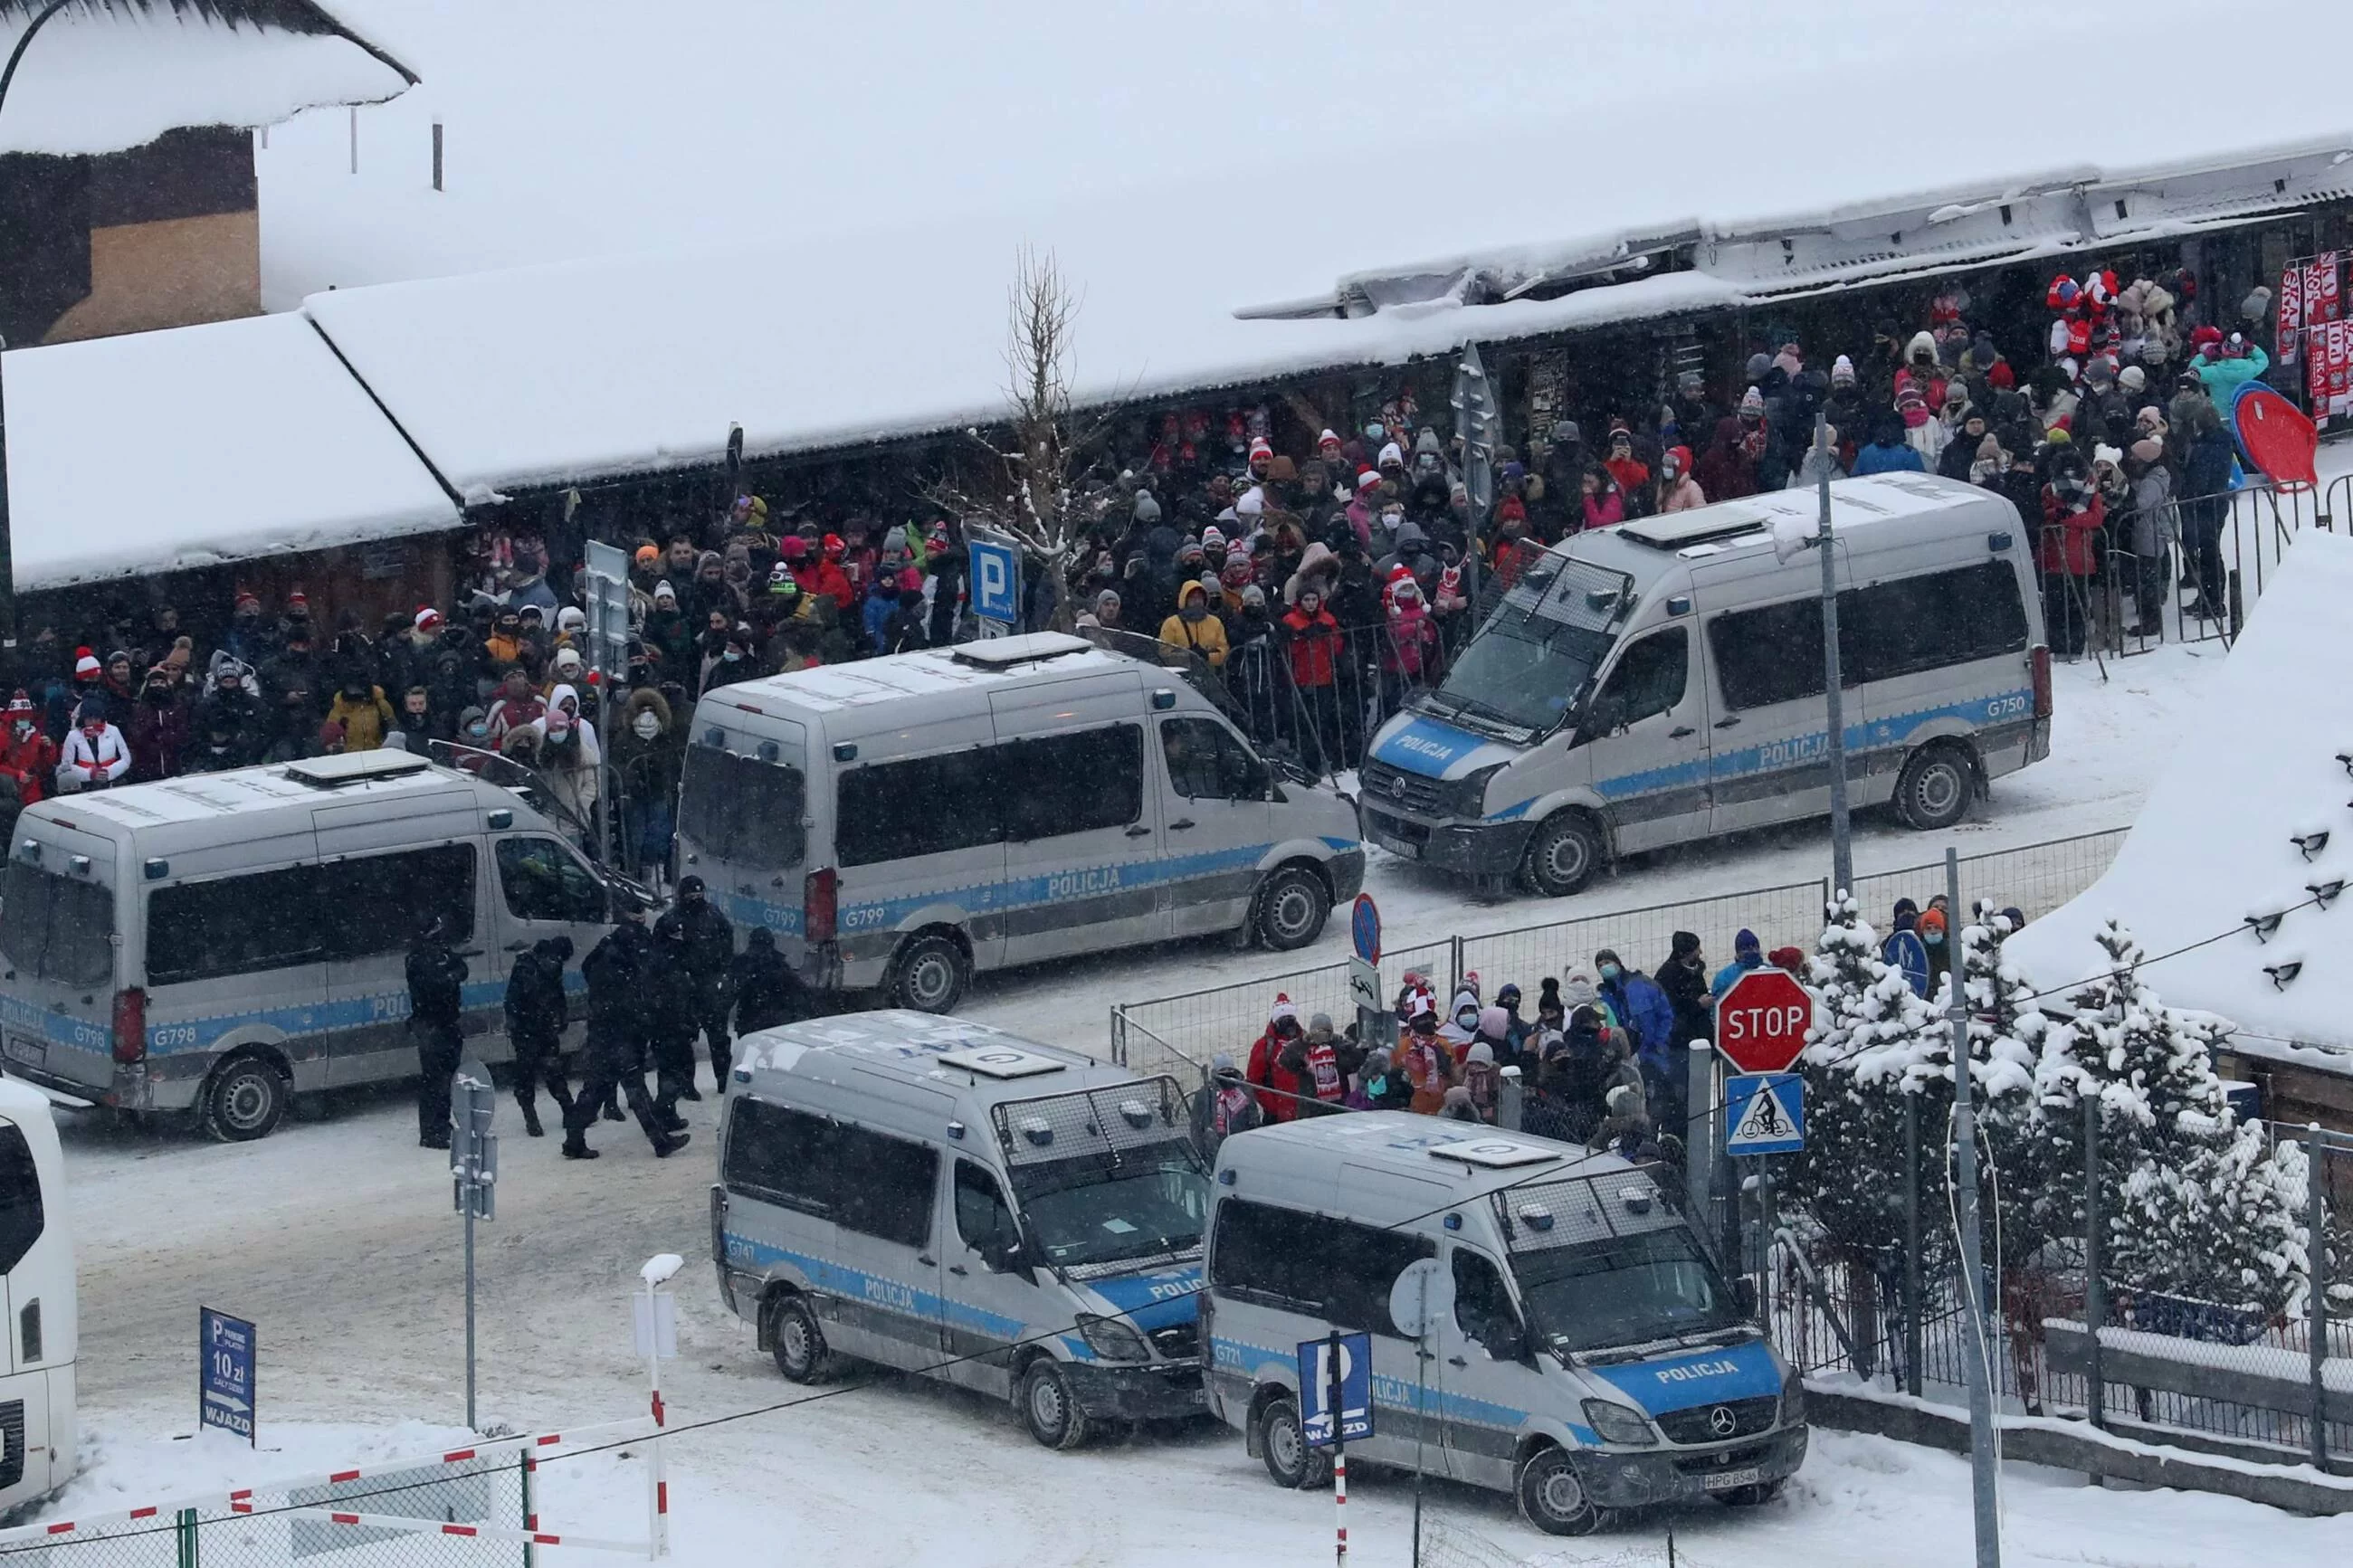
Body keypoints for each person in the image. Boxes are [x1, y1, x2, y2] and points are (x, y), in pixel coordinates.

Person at [564, 907, 691, 1160]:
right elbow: (638, 996)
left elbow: (590, 970)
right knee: (635, 1089)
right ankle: (660, 1141)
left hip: (603, 1032)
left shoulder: (605, 953)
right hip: (619, 1034)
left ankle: (573, 1140)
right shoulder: (625, 969)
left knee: (595, 1089)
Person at [660, 875, 737, 1092]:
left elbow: (727, 940)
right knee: (684, 1039)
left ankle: (724, 1081)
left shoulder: (713, 915)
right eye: (691, 894)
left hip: (710, 982)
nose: (695, 898)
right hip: (683, 985)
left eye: (699, 893)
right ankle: (687, 1085)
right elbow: (661, 951)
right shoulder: (671, 919)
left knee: (718, 1037)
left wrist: (723, 971)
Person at [405, 916, 469, 1151]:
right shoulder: (417, 958)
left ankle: (441, 1124)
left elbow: (462, 968)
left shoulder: (442, 952)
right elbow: (432, 986)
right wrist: (447, 976)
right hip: (430, 1025)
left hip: (448, 1021)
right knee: (434, 1080)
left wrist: (450, 974)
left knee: (448, 1078)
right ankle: (431, 1132)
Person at [503, 935, 577, 1136]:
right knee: (530, 1073)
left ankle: (567, 1111)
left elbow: (557, 995)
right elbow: (514, 1000)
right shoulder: (526, 967)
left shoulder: (546, 966)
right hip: (528, 1028)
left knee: (550, 1070)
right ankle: (533, 1117)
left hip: (541, 1027)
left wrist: (560, 1016)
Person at [1650, 932, 1710, 1131]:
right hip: (1677, 1046)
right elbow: (1669, 1010)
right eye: (1696, 948)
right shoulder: (1667, 975)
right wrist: (1696, 1005)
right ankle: (1676, 1139)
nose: (1700, 952)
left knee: (1698, 1097)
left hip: (1698, 1042)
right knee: (1679, 1098)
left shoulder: (1695, 971)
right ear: (1686, 952)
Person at [730, 926, 810, 1036]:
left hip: (753, 1022)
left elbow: (731, 992)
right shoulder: (779, 965)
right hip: (768, 1024)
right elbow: (800, 991)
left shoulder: (742, 962)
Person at [1245, 994, 1310, 1122]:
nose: (1289, 1026)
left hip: (1306, 1110)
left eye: (1291, 1020)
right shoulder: (1263, 1047)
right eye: (1285, 1021)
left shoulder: (1306, 1041)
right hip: (1277, 1116)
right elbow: (1255, 1082)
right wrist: (1275, 1108)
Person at [1190, 1053, 1264, 1162]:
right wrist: (1202, 1150)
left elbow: (1254, 1119)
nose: (1226, 1076)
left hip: (1240, 1147)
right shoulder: (1205, 1095)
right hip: (1214, 1151)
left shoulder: (1244, 1091)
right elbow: (1196, 1126)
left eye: (1229, 1072)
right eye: (1223, 1073)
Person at [57, 704, 131, 792]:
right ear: (83, 719)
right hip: (86, 787)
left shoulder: (113, 731)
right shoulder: (73, 736)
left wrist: (109, 772)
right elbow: (66, 766)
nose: (93, 722)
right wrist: (90, 774)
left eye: (96, 718)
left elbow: (126, 758)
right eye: (89, 718)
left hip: (113, 784)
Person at [1710, 928, 1765, 1003]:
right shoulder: (1771, 971)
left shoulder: (1723, 977)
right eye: (1746, 948)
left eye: (1754, 947)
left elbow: (1717, 1008)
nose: (1752, 950)